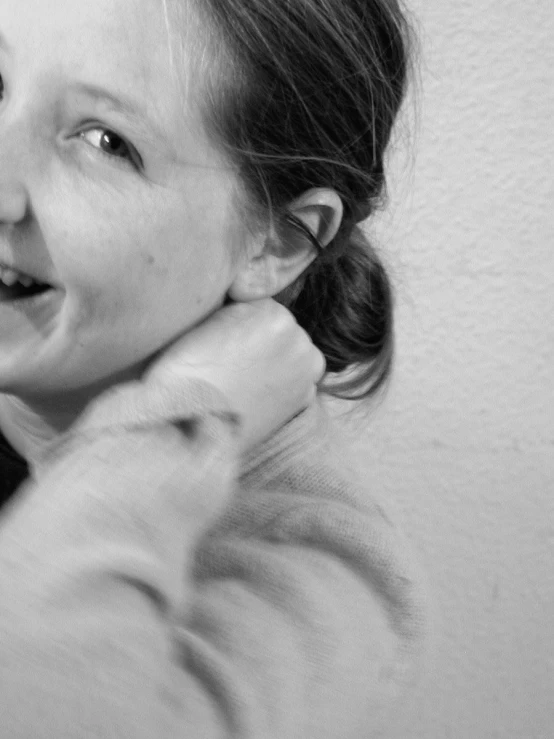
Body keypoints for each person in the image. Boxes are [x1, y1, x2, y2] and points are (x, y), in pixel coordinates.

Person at [0, 0, 430, 737]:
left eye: (106, 141)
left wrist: (182, 413)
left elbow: (42, 700)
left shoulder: (320, 575)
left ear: (278, 244)